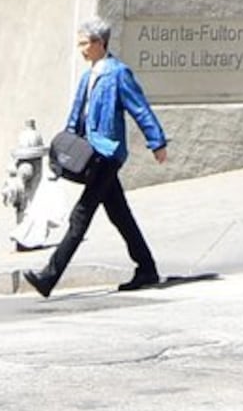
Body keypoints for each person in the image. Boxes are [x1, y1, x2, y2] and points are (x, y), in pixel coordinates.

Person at [28, 18, 167, 299]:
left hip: (107, 152)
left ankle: (49, 277)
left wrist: (157, 142)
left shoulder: (118, 74)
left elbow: (140, 109)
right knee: (119, 214)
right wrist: (62, 154)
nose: (80, 48)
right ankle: (147, 268)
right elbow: (75, 116)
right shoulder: (88, 75)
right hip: (89, 153)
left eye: (84, 43)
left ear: (99, 43)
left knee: (81, 215)